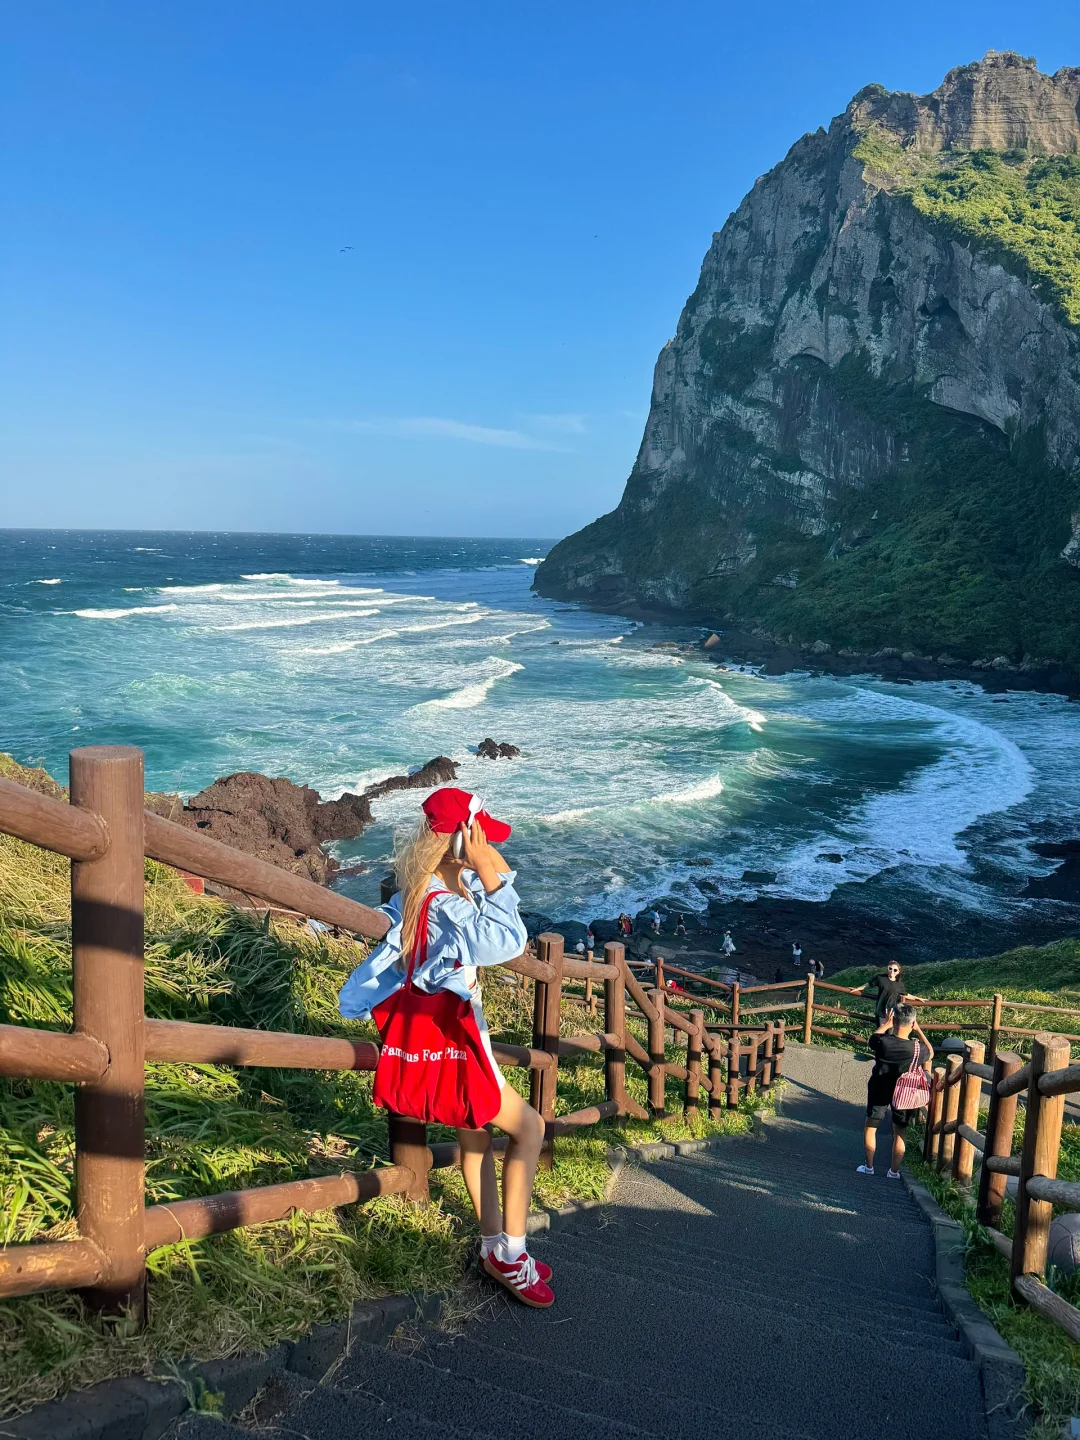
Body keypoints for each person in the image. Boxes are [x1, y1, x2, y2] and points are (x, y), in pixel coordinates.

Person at [338, 787, 553, 1308]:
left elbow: (499, 876)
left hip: (450, 1041)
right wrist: (484, 864)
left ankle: (490, 1246)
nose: (487, 847)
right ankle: (512, 1253)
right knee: (530, 1128)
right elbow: (508, 940)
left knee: (475, 1136)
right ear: (458, 840)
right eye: (479, 835)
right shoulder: (448, 911)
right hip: (460, 1043)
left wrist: (478, 857)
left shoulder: (424, 889)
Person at [858, 1004, 934, 1178]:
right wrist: (919, 1031)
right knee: (900, 1132)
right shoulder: (917, 1048)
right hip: (905, 1092)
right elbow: (931, 1053)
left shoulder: (882, 1042)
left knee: (871, 1127)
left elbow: (872, 1038)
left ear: (894, 1020)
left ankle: (869, 1168)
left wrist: (886, 1024)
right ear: (912, 1022)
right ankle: (893, 1172)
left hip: (880, 1087)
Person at [853, 962, 924, 1021]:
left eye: (895, 970)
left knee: (890, 1033)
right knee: (881, 1033)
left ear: (898, 972)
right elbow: (868, 984)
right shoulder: (880, 978)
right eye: (890, 968)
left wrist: (918, 998)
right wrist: (857, 988)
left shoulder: (900, 984)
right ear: (888, 968)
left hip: (893, 1012)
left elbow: (905, 994)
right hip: (881, 1011)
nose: (892, 971)